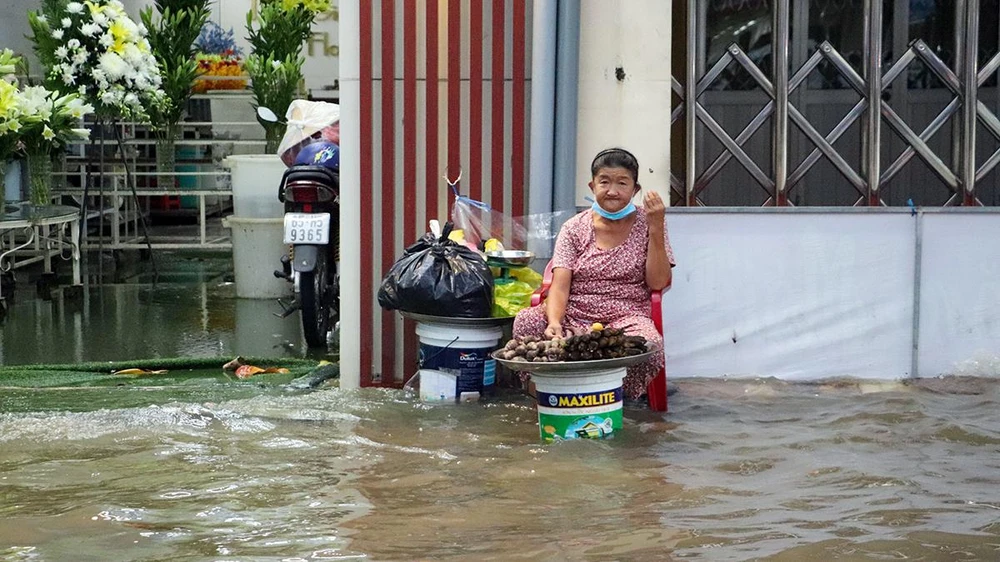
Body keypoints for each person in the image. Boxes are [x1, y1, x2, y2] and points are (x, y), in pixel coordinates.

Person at [512, 147, 675, 400]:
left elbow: (657, 281)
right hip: (575, 315)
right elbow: (560, 284)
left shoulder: (650, 223)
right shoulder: (574, 228)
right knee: (527, 320)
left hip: (626, 316)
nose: (612, 191)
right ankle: (546, 397)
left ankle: (614, 399)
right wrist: (555, 321)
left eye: (622, 183)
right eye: (604, 182)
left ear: (635, 189)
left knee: (648, 342)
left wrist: (656, 228)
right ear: (592, 186)